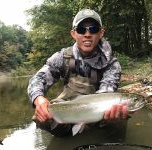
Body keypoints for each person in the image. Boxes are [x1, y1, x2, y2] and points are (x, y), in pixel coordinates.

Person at [27, 9, 128, 137]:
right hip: (69, 113)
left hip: (98, 115)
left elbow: (106, 95)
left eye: (93, 29)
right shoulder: (62, 57)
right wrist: (39, 100)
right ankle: (66, 136)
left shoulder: (111, 65)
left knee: (119, 116)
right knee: (42, 117)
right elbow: (37, 79)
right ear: (73, 33)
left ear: (101, 32)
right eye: (81, 29)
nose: (87, 34)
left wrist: (111, 115)